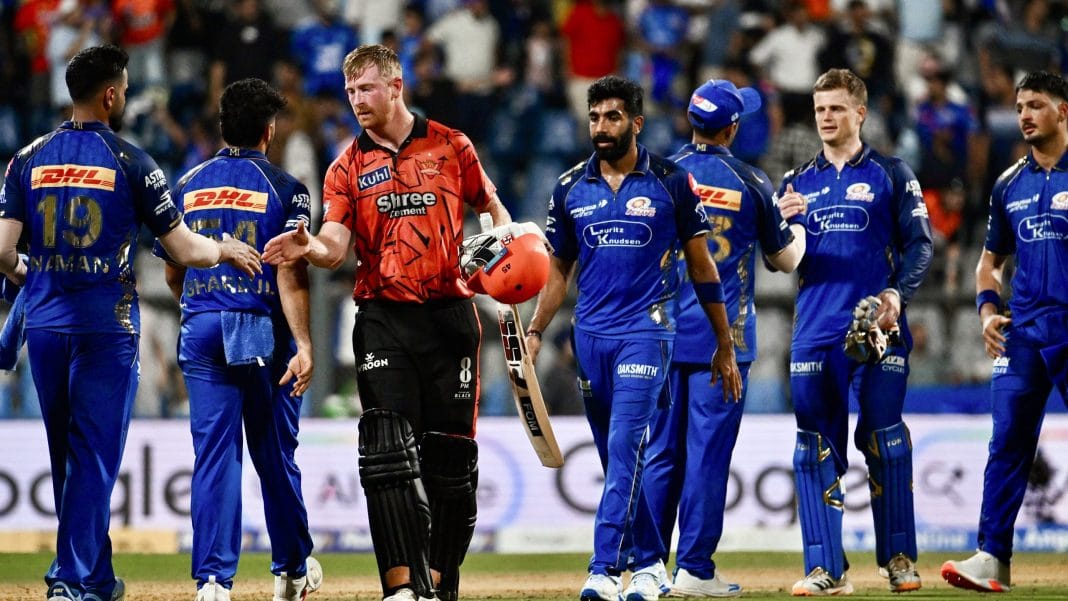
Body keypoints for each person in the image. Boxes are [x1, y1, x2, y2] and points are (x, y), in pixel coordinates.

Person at [0, 44, 260, 601]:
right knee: (92, 457)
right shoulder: (133, 162)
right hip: (105, 331)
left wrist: (33, 273)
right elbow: (185, 249)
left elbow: (3, 252)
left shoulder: (25, 158)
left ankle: (94, 577)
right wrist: (227, 248)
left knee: (66, 456)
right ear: (112, 94)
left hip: (44, 331)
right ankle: (68, 582)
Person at [262, 44, 511, 601]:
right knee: (385, 451)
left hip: (450, 318)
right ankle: (401, 588)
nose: (356, 101)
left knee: (451, 462)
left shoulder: (453, 145)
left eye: (366, 89)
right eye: (350, 92)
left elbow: (495, 209)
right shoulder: (345, 166)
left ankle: (439, 587)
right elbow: (334, 247)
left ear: (396, 86)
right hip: (382, 318)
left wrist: (503, 246)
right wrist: (309, 244)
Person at [523, 75, 742, 601]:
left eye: (613, 117)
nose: (601, 127)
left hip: (648, 332)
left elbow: (701, 265)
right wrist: (534, 332)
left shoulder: (671, 182)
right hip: (589, 339)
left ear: (636, 123)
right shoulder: (570, 187)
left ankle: (602, 569)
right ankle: (648, 564)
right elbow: (557, 274)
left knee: (626, 445)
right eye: (595, 117)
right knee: (614, 454)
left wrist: (724, 342)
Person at [153, 78, 322, 601]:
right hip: (259, 330)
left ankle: (212, 582)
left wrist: (199, 305)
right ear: (269, 132)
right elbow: (291, 274)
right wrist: (306, 346)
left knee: (215, 456)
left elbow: (174, 271)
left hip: (200, 327)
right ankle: (292, 570)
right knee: (273, 454)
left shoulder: (187, 183)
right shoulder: (286, 188)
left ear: (223, 126)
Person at [643, 79, 805, 597]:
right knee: (707, 456)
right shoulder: (752, 181)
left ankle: (647, 567)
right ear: (732, 127)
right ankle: (693, 568)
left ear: (692, 122)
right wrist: (790, 219)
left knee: (661, 454)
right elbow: (786, 261)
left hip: (662, 334)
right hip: (723, 342)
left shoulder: (659, 175)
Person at [776, 68, 932, 595]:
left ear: (860, 112)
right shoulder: (794, 183)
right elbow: (780, 261)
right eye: (820, 108)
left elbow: (921, 244)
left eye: (837, 108)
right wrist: (777, 225)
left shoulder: (892, 172)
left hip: (878, 328)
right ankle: (826, 569)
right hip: (815, 333)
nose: (826, 117)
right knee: (813, 448)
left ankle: (900, 560)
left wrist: (894, 296)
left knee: (887, 441)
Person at [941, 70, 1068, 594]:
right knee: (1007, 444)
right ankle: (993, 557)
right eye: (1020, 107)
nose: (1024, 115)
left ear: (1063, 111)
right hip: (1023, 332)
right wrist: (988, 311)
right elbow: (988, 262)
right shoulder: (1007, 184)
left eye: (1036, 105)